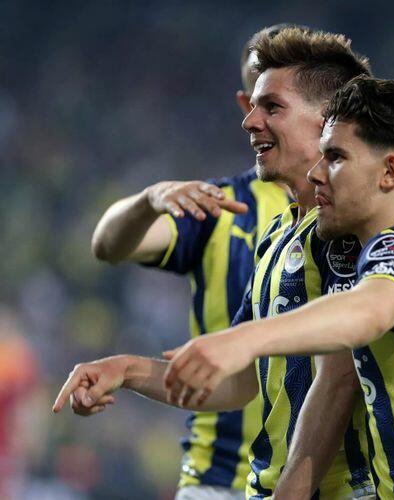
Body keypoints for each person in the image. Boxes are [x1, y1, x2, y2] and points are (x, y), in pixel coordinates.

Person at [158, 76, 394, 498]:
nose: (316, 174)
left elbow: (368, 311)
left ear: (389, 172)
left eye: (335, 157)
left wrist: (244, 340)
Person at [57, 27, 376, 499]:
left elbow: (339, 380)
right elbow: (238, 382)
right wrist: (125, 370)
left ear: (329, 121)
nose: (249, 121)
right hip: (248, 482)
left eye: (272, 107)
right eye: (252, 105)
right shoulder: (278, 235)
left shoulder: (362, 228)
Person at [88, 23, 298, 500]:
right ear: (246, 106)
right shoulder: (217, 206)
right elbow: (107, 245)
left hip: (333, 479)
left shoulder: (359, 215)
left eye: (282, 102)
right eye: (261, 101)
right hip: (220, 479)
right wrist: (149, 200)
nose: (263, 119)